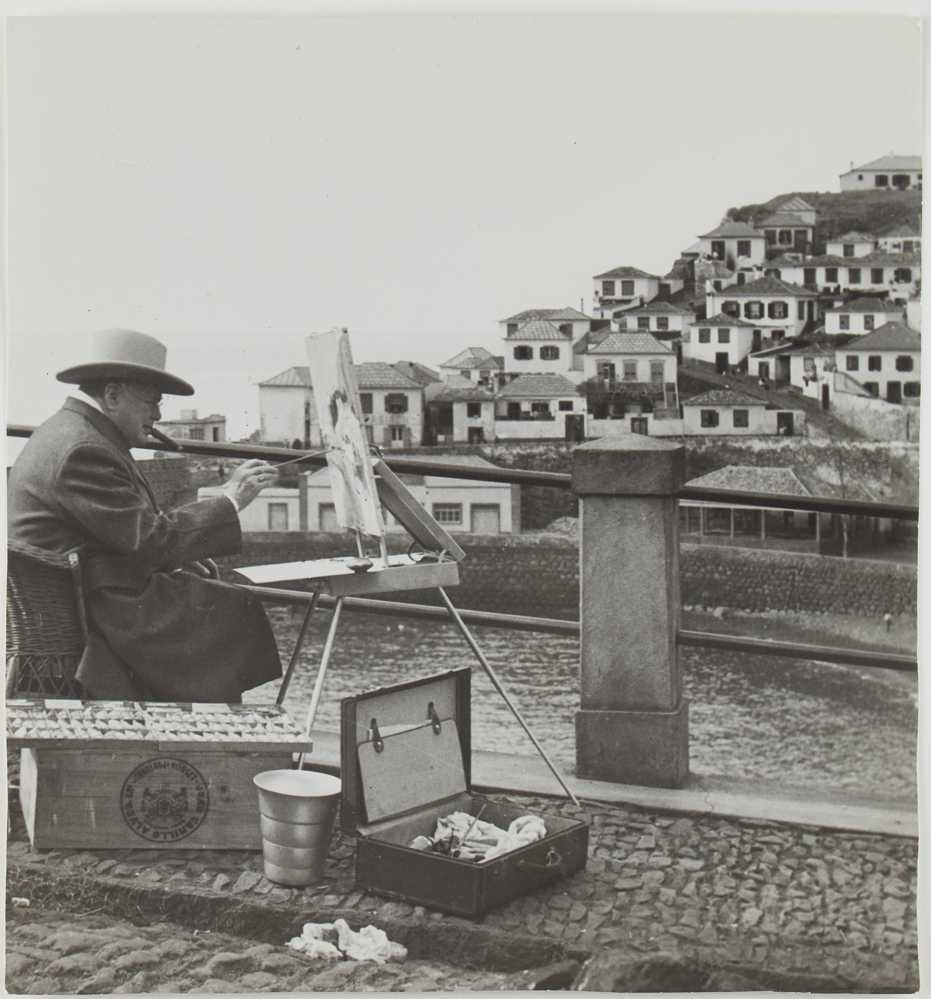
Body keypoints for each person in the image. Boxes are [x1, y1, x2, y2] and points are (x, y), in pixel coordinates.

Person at [7, 328, 283, 703]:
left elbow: (130, 529)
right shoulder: (84, 448)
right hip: (90, 612)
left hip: (80, 595)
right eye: (151, 402)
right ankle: (211, 744)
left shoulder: (75, 433)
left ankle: (204, 737)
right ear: (113, 394)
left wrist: (188, 554)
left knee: (219, 601)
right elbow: (147, 539)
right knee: (233, 606)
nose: (157, 414)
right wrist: (230, 500)